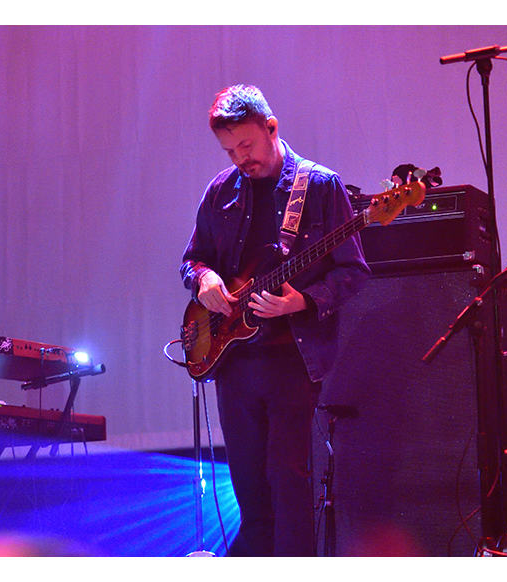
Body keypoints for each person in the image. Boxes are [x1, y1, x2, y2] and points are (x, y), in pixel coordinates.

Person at [180, 85, 370, 556]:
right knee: (247, 484)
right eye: (229, 150)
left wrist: (300, 301)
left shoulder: (321, 186)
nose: (240, 157)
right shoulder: (220, 191)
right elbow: (192, 260)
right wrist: (203, 280)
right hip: (234, 362)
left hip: (290, 362)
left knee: (287, 480)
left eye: (247, 145)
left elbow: (354, 272)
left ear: (272, 128)